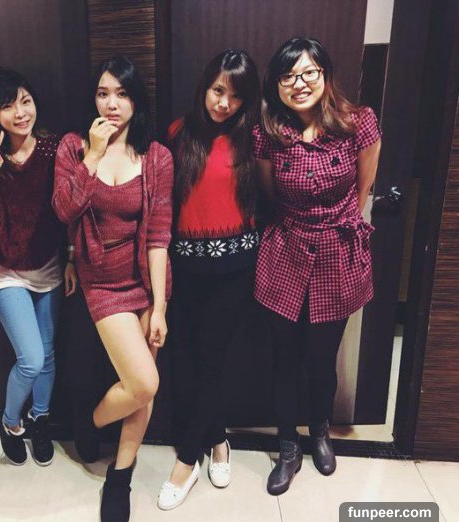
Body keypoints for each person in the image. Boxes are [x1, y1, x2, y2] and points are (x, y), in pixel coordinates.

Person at [252, 37, 382, 495]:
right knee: (284, 358)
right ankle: (288, 447)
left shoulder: (357, 123)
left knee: (323, 359)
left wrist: (336, 224)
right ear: (276, 85)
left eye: (309, 72)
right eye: (288, 76)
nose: (300, 83)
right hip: (284, 253)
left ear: (325, 75)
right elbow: (269, 193)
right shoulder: (268, 133)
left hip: (337, 255)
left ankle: (320, 433)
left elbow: (364, 186)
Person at [52, 55, 173, 522]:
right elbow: (64, 210)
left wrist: (159, 306)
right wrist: (93, 156)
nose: (112, 103)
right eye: (103, 93)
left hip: (146, 280)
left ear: (135, 100)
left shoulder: (156, 156)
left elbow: (159, 234)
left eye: (122, 94)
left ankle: (119, 477)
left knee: (144, 389)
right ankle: (89, 420)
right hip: (102, 283)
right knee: (144, 382)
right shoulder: (74, 147)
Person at [157, 50, 261, 510]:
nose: (224, 103)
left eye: (235, 97)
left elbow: (267, 198)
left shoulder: (253, 139)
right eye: (218, 91)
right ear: (205, 86)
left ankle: (186, 461)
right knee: (188, 362)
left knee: (213, 362)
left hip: (234, 270)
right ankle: (218, 439)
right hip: (185, 269)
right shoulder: (178, 133)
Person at [0, 67, 76, 467]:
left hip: (48, 264)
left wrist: (72, 257)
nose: (20, 113)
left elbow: (71, 207)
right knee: (30, 358)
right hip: (5, 267)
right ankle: (10, 422)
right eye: (8, 106)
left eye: (25, 101)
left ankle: (39, 419)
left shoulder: (55, 148)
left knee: (47, 354)